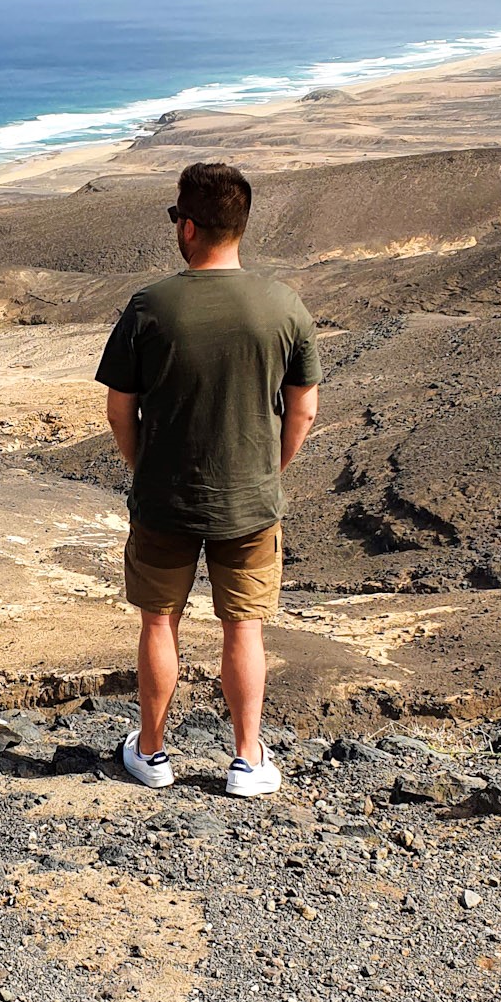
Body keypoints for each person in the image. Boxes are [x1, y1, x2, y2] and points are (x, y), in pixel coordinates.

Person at [96, 161, 320, 797]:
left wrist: (146, 471)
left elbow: (120, 409)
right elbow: (303, 408)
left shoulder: (150, 307)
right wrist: (266, 470)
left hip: (163, 500)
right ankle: (247, 760)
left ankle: (153, 753)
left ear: (188, 227)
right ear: (239, 227)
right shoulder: (284, 306)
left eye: (176, 218)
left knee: (158, 621)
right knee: (243, 627)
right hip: (250, 502)